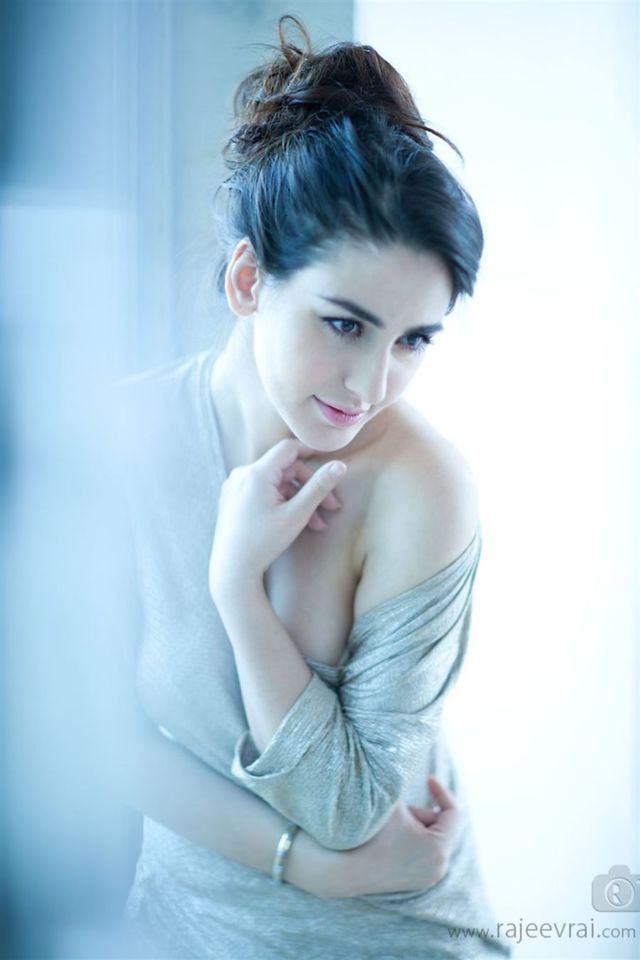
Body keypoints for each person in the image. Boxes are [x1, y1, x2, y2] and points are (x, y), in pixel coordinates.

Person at [111, 14, 512, 960]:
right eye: (345, 324)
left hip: (392, 936)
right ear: (249, 280)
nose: (371, 386)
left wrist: (237, 589)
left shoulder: (423, 486)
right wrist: (308, 865)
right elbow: (91, 736)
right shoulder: (124, 442)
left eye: (414, 341)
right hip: (177, 930)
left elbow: (347, 806)